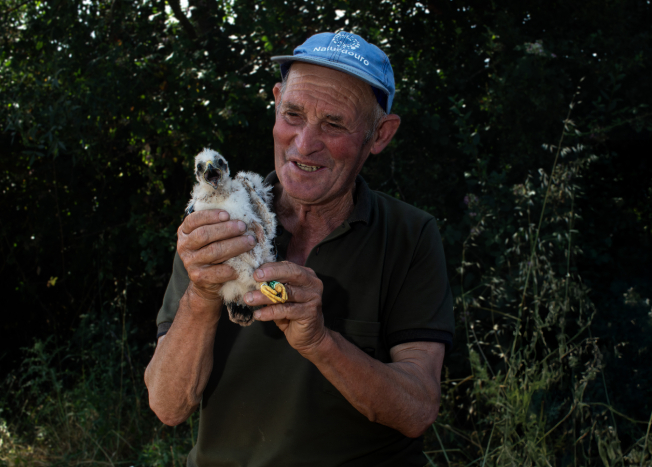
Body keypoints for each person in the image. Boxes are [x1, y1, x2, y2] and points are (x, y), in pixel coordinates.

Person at [144, 31, 455, 466]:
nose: (304, 143)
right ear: (275, 103)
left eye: (334, 124)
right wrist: (202, 294)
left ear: (379, 134)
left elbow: (418, 409)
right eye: (293, 114)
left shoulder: (410, 235)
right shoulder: (219, 225)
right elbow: (168, 405)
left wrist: (321, 342)